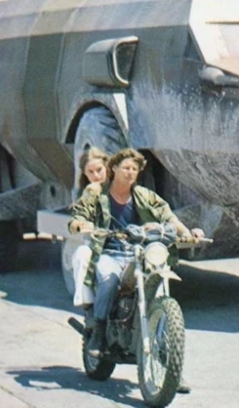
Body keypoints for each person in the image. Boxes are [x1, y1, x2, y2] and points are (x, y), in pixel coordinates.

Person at [68, 148, 203, 393]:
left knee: (159, 285)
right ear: (114, 169)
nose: (130, 172)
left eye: (134, 169)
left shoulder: (144, 195)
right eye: (126, 168)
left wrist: (187, 233)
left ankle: (172, 370)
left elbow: (168, 216)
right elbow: (80, 213)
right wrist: (80, 223)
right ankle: (98, 333)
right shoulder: (99, 194)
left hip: (140, 252)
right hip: (110, 253)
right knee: (109, 280)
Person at [70, 146, 109, 308]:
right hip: (97, 243)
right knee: (82, 255)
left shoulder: (120, 187)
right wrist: (80, 223)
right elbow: (80, 213)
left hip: (124, 241)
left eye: (99, 170)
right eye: (90, 172)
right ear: (84, 174)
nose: (96, 176)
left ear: (107, 166)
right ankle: (90, 308)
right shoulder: (88, 192)